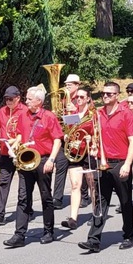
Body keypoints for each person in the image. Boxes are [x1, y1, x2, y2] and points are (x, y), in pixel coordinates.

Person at [78, 82, 133, 253]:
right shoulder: (98, 114)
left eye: (109, 94)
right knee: (100, 202)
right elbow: (93, 134)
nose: (105, 96)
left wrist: (128, 164)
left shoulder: (126, 114)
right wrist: (92, 143)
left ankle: (128, 235)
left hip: (120, 163)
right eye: (103, 93)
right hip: (102, 163)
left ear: (117, 96)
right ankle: (93, 240)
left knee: (125, 201)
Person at [3, 86, 63, 248]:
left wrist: (51, 160)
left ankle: (48, 231)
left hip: (43, 160)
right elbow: (20, 134)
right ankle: (19, 234)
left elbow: (57, 139)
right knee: (23, 197)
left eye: (29, 99)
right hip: (26, 161)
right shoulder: (23, 115)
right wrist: (15, 146)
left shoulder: (49, 116)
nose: (26, 101)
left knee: (45, 196)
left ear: (39, 101)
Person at [0, 86, 27, 227]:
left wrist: (16, 141)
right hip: (5, 151)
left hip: (20, 152)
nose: (8, 102)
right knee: (3, 182)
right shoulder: (2, 111)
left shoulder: (25, 111)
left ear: (18, 98)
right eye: (6, 99)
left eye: (11, 99)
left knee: (24, 184)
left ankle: (26, 210)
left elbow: (26, 131)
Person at [60, 86, 95, 230]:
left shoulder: (93, 115)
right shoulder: (72, 115)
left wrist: (91, 138)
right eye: (77, 97)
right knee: (75, 185)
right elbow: (67, 131)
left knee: (92, 185)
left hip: (88, 152)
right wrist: (66, 136)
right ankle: (73, 218)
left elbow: (98, 132)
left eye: (82, 97)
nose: (78, 99)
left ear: (88, 99)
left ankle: (96, 213)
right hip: (75, 152)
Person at [52, 73, 81, 209]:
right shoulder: (63, 100)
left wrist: (75, 110)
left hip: (78, 139)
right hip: (64, 139)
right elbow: (61, 119)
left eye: (70, 84)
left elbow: (86, 118)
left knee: (80, 169)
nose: (67, 86)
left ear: (77, 85)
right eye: (66, 84)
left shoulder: (82, 99)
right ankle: (57, 198)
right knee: (60, 166)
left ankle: (84, 196)